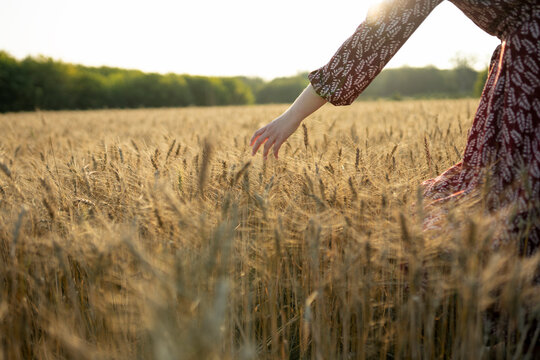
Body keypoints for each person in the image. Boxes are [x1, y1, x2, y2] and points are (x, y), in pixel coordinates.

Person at [250, 0, 540, 255]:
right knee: (514, 198)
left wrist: (292, 116)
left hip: (530, 70)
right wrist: (293, 115)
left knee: (510, 202)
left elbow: (375, 36)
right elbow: (373, 37)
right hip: (529, 70)